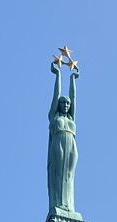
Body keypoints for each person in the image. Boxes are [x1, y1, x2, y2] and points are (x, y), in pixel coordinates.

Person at [48, 63, 79, 214]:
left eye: (68, 103)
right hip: (58, 143)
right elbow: (55, 96)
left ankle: (69, 206)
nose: (66, 105)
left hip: (72, 145)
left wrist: (73, 79)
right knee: (58, 174)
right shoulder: (54, 116)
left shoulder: (71, 118)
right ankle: (58, 205)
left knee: (69, 175)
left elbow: (74, 97)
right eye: (63, 102)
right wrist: (58, 75)